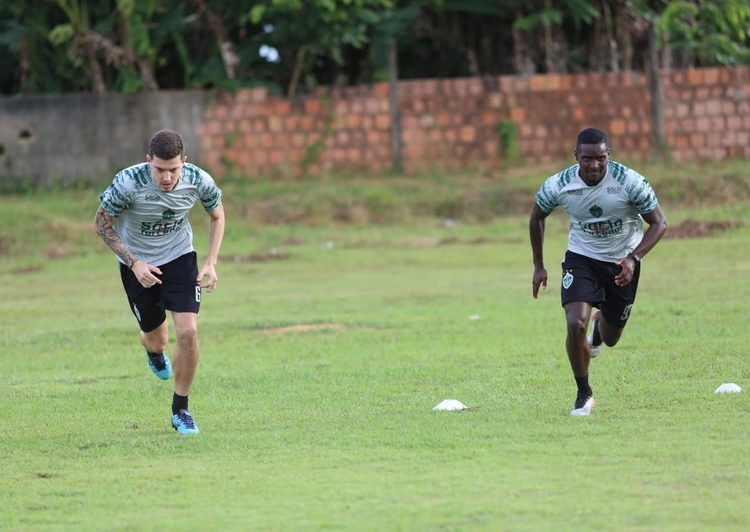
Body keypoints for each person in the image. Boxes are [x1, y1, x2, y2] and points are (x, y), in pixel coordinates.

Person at [529, 127, 667, 416]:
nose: (594, 165)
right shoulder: (560, 184)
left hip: (622, 263)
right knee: (574, 323)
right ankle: (583, 394)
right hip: (582, 258)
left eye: (601, 158)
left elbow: (659, 223)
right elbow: (537, 216)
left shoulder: (630, 182)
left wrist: (634, 258)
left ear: (609, 155)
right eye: (587, 159)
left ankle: (599, 325)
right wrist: (538, 265)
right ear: (576, 156)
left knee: (611, 337)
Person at [94, 129, 225, 434]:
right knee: (158, 339)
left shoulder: (198, 180)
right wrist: (135, 262)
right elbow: (101, 224)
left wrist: (211, 261)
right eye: (160, 170)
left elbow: (217, 215)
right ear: (148, 161)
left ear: (184, 162)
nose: (167, 178)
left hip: (180, 257)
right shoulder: (128, 184)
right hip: (137, 264)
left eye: (173, 170)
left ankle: (181, 410)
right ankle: (152, 351)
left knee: (189, 332)